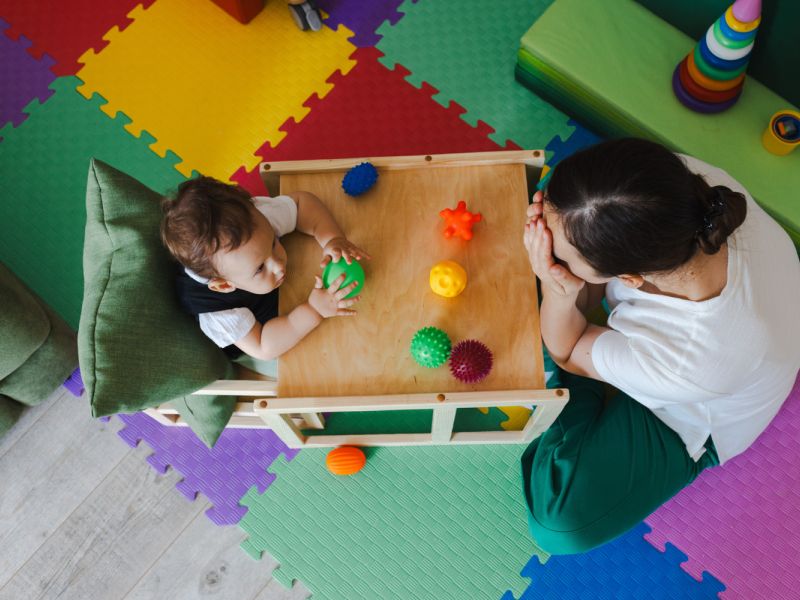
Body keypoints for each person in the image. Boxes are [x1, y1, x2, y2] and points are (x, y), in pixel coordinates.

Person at [520, 137, 800, 554]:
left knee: (561, 523)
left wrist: (556, 287)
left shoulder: (696, 358)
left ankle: (581, 389)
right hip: (710, 350)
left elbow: (568, 350)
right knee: (560, 230)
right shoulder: (682, 191)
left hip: (689, 415)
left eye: (567, 258)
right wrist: (563, 254)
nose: (556, 258)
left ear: (629, 277)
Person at [160, 177, 368, 374]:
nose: (278, 265)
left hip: (280, 295)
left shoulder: (255, 223)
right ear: (224, 285)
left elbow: (301, 203)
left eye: (273, 243)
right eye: (260, 268)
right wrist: (314, 310)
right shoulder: (217, 311)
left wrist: (332, 239)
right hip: (261, 333)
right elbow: (263, 346)